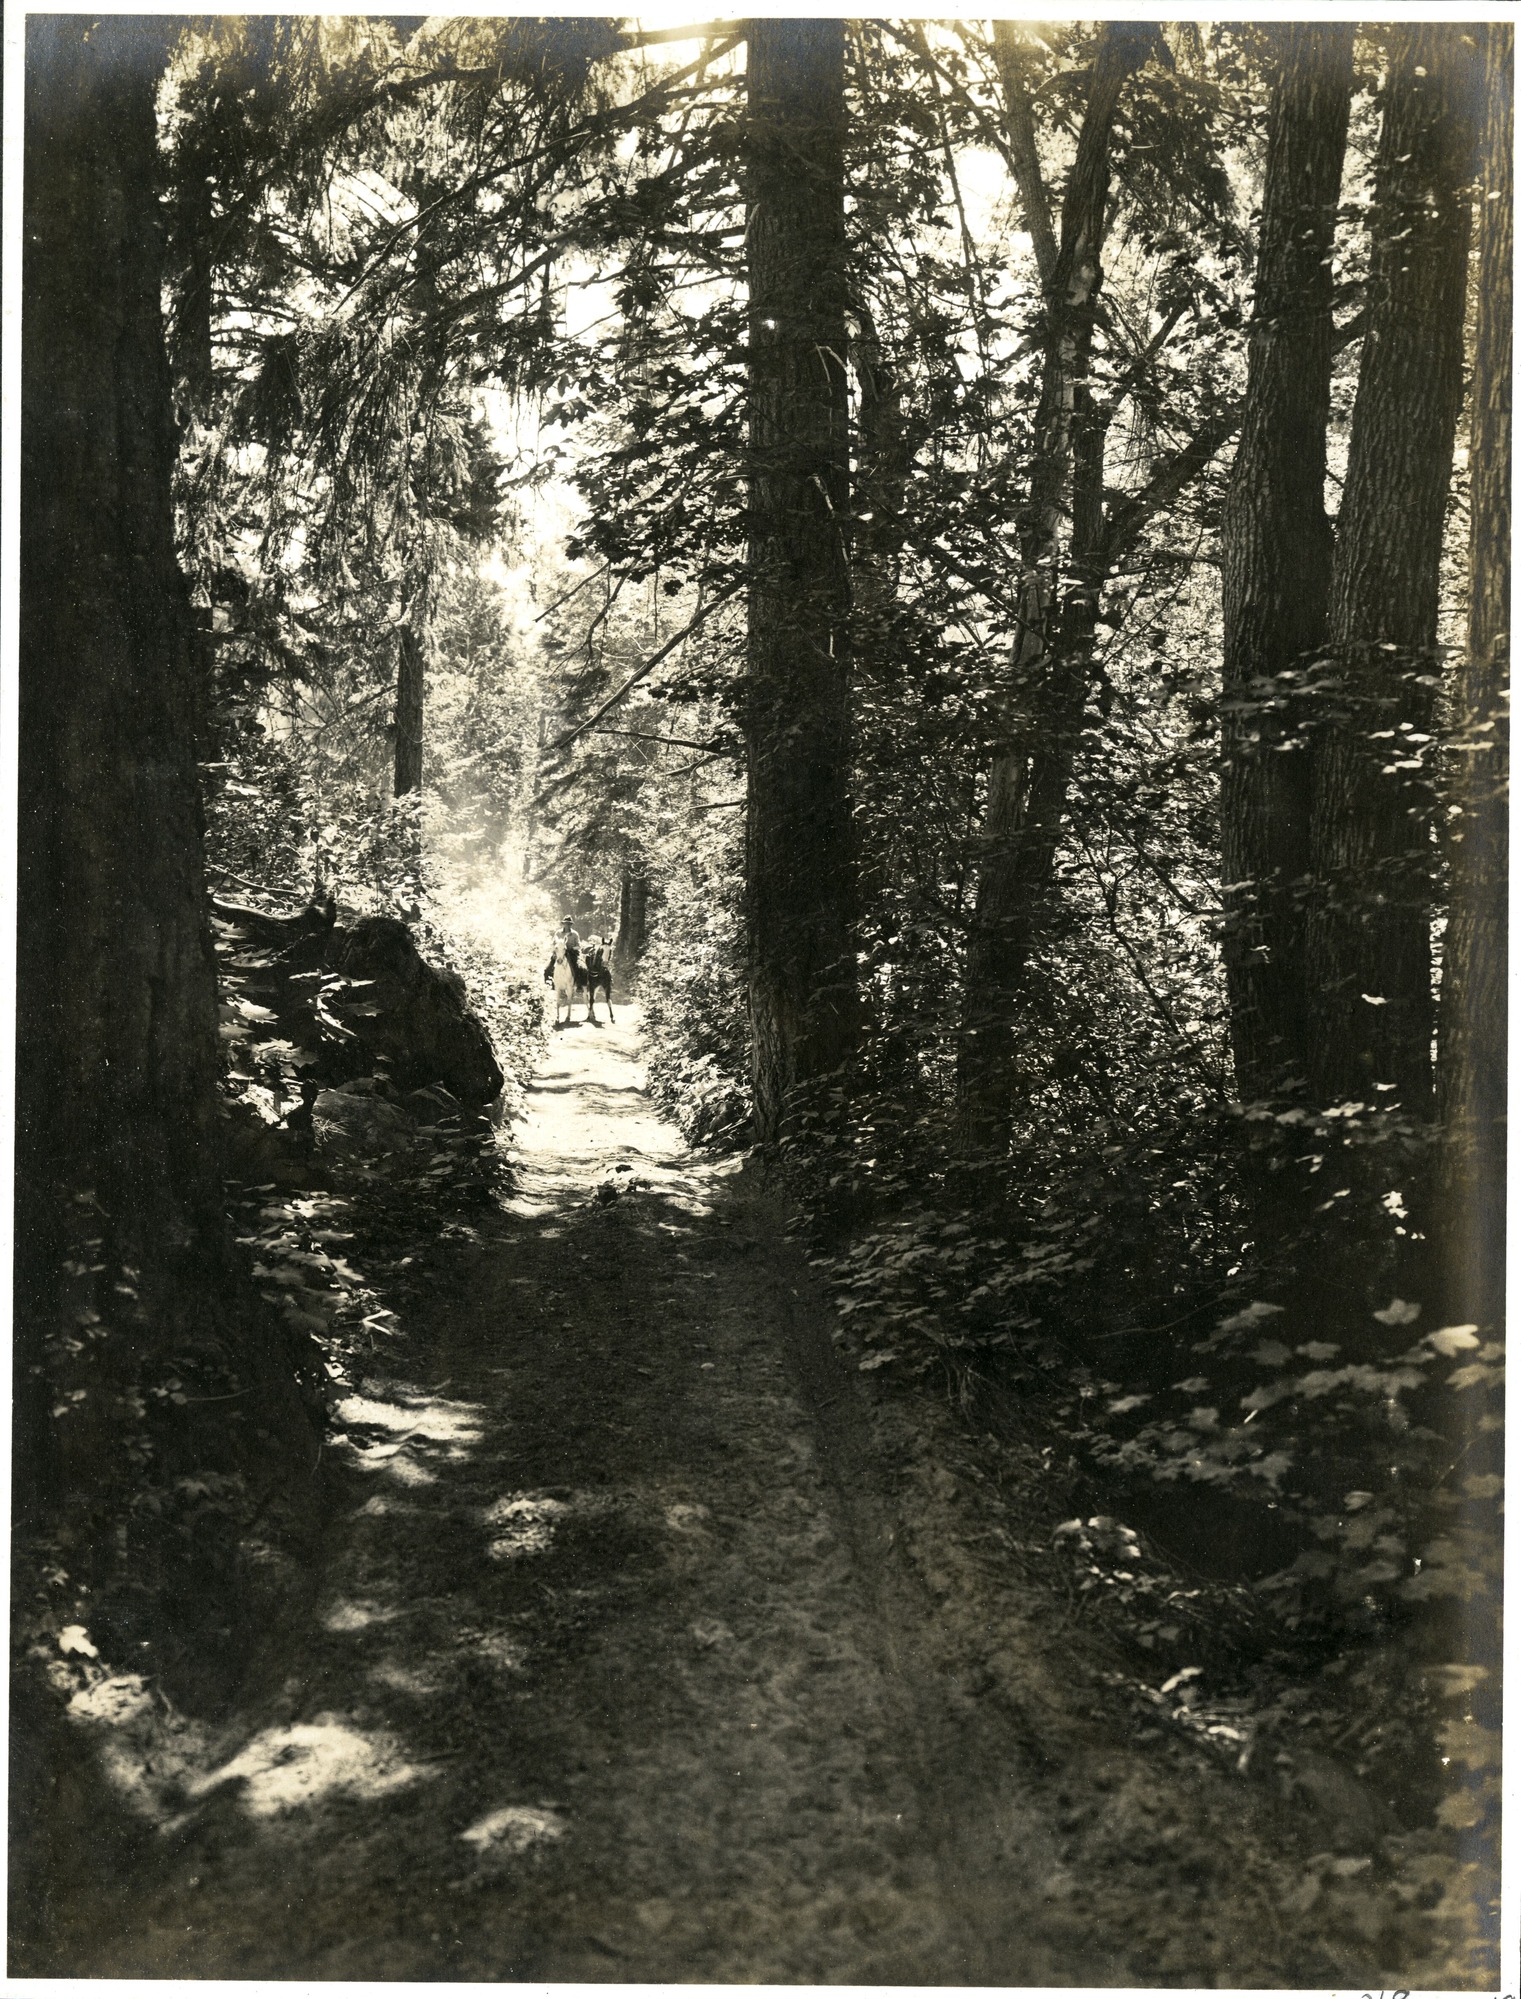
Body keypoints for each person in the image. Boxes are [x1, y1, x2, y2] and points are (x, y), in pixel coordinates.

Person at [544, 916, 582, 984]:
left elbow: (579, 946)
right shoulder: (558, 933)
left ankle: (577, 982)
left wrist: (571, 948)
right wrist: (555, 951)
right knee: (549, 967)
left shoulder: (575, 934)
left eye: (569, 924)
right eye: (566, 923)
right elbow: (553, 944)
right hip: (559, 952)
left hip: (571, 952)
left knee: (577, 967)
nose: (567, 925)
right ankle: (549, 980)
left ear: (571, 924)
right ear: (563, 924)